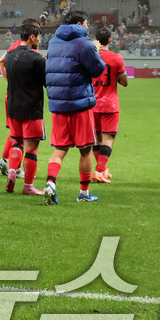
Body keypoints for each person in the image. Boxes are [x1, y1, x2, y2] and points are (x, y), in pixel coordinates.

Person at [43, 11, 107, 205]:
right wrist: (95, 50)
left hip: (59, 103)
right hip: (79, 103)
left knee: (60, 148)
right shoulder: (84, 43)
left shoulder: (53, 41)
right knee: (85, 150)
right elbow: (98, 69)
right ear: (80, 24)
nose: (88, 27)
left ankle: (50, 183)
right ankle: (84, 192)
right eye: (86, 24)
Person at [1, 21, 47, 196]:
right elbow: (46, 83)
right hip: (32, 107)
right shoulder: (37, 58)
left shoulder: (10, 55)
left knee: (17, 142)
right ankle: (28, 186)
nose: (40, 41)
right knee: (32, 148)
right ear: (32, 37)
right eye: (39, 37)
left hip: (13, 106)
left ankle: (12, 172)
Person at [90, 29, 128, 184]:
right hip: (109, 104)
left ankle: (102, 169)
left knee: (97, 138)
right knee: (108, 138)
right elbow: (124, 82)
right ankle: (99, 171)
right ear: (110, 41)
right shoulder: (116, 58)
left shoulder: (90, 57)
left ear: (96, 39)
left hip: (92, 104)